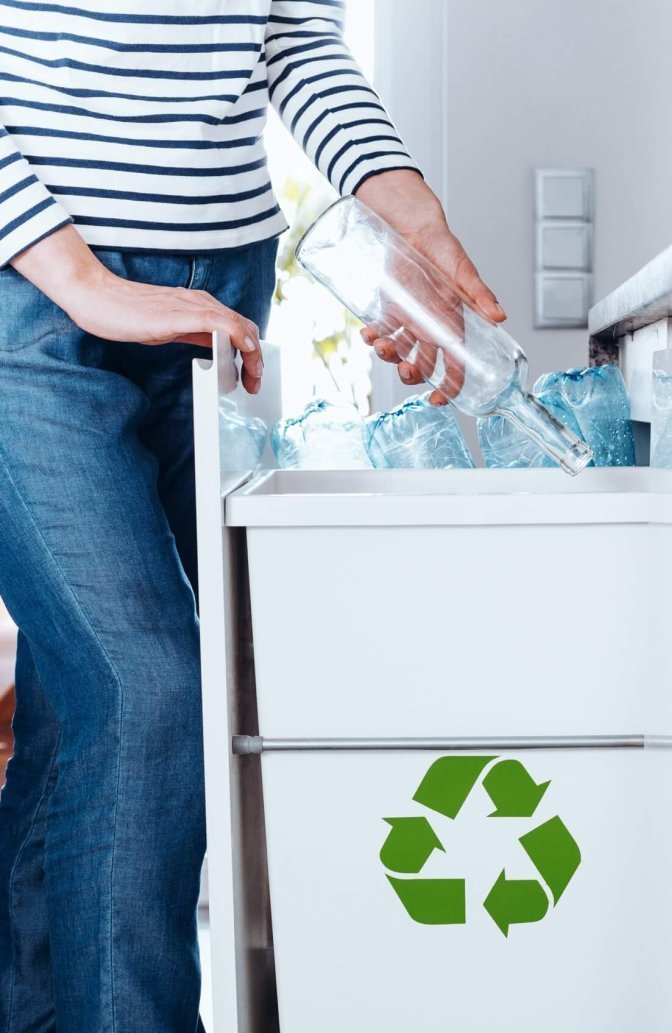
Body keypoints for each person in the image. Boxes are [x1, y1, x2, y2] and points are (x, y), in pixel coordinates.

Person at [0, 3, 502, 1031]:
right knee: (146, 688)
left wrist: (406, 211)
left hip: (215, 292)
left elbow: (289, 34)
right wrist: (80, 279)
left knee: (84, 708)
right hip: (32, 284)